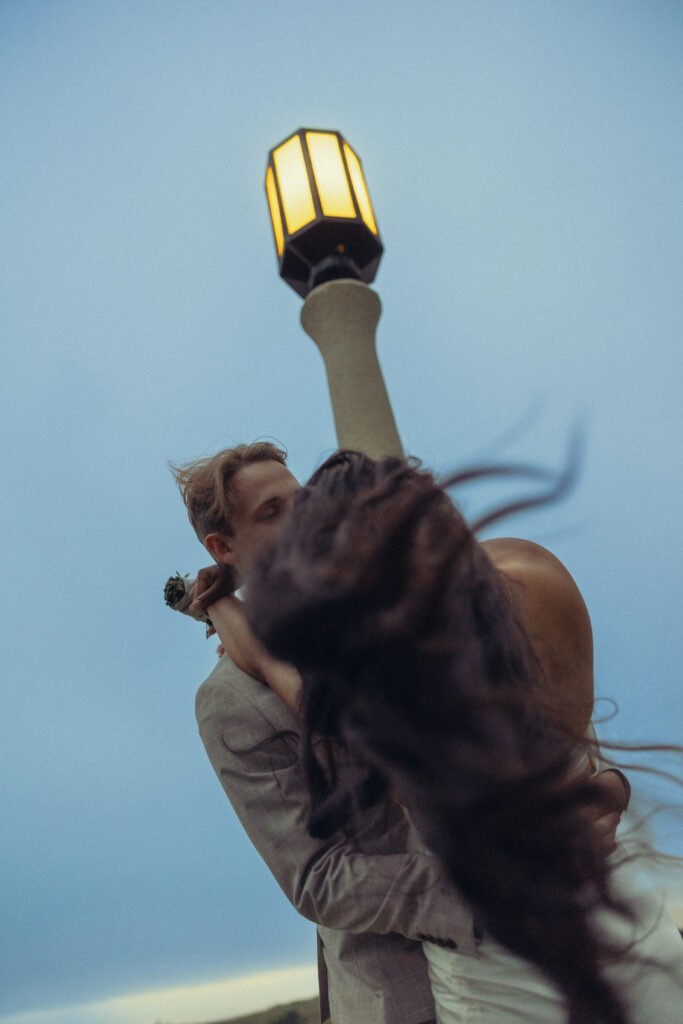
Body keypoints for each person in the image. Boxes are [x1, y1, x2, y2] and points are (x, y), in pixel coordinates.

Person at [172, 442, 631, 1024]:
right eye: (272, 512)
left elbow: (559, 736)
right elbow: (317, 878)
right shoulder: (231, 704)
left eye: (305, 500)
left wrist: (606, 791)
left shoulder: (420, 614)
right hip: (404, 996)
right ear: (222, 547)